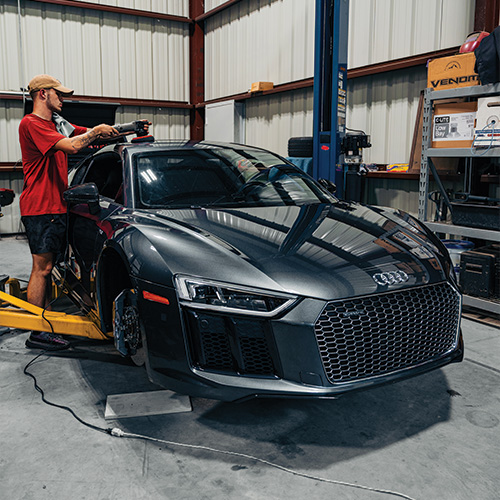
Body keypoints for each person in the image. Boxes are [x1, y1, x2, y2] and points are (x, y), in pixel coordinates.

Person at [19, 74, 149, 351]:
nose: (63, 99)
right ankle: (36, 331)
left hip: (55, 206)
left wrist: (129, 128)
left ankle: (42, 318)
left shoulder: (56, 125)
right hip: (40, 207)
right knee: (41, 269)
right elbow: (75, 144)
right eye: (59, 94)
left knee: (48, 267)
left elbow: (93, 135)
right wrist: (94, 132)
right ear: (43, 94)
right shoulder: (31, 124)